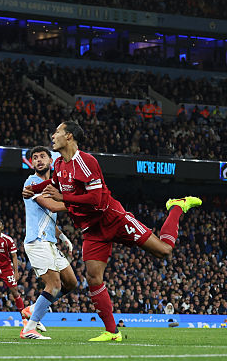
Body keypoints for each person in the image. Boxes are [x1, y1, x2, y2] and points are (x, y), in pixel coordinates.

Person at [23, 121, 201, 342]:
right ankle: (112, 332)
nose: (53, 135)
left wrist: (63, 198)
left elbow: (95, 199)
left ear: (69, 136)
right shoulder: (59, 163)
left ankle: (176, 206)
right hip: (92, 230)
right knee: (93, 277)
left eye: (57, 131)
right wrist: (35, 189)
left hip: (113, 218)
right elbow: (56, 183)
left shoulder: (86, 162)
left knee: (163, 251)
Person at [20, 145, 77, 340]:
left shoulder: (53, 186)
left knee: (71, 282)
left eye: (42, 156)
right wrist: (79, 203)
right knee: (54, 284)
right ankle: (30, 328)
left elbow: (48, 217)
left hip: (50, 242)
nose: (38, 160)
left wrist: (63, 238)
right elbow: (51, 206)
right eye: (34, 157)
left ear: (50, 161)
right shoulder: (32, 182)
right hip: (37, 241)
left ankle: (33, 309)